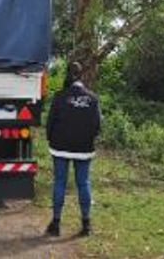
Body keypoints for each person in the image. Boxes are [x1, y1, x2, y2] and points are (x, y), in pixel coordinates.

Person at [45, 62, 101, 237]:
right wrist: (88, 139)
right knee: (83, 183)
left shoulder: (60, 96)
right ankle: (86, 225)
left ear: (67, 74)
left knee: (60, 182)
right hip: (84, 148)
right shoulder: (92, 99)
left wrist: (51, 139)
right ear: (82, 75)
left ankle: (56, 224)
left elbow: (50, 123)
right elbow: (97, 126)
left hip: (60, 147)